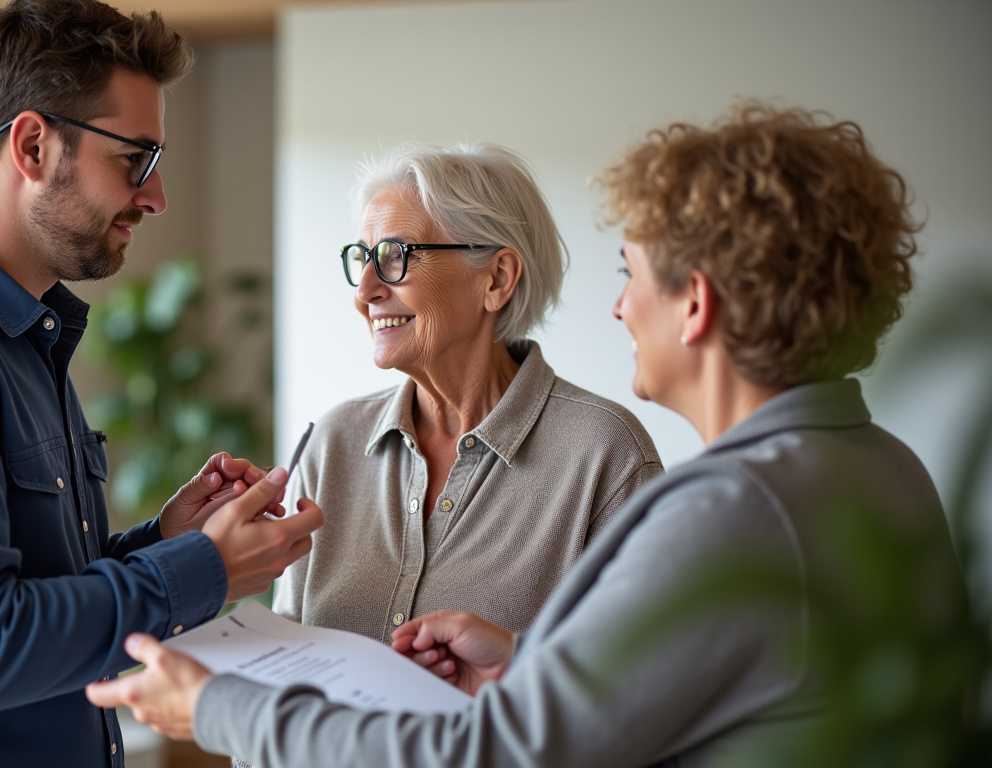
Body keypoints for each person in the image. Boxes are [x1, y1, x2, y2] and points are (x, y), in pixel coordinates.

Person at [86, 104, 962, 767]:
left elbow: (506, 752)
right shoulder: (883, 465)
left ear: (694, 302)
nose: (619, 306)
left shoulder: (728, 504)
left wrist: (218, 708)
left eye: (631, 273)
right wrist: (527, 663)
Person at [0, 2, 322, 766]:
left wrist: (169, 542)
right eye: (135, 159)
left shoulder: (20, 335)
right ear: (33, 145)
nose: (156, 196)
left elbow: (40, 591)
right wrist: (203, 569)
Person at [274, 143, 662, 647]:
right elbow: (286, 652)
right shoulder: (332, 444)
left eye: (396, 256)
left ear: (497, 279)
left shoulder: (606, 453)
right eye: (364, 258)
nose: (364, 291)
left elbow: (643, 670)